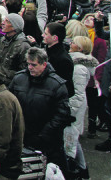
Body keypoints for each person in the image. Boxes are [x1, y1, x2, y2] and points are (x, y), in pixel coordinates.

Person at [8, 46, 72, 174]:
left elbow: (62, 115)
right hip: (22, 136)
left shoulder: (57, 85)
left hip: (47, 142)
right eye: (28, 64)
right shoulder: (19, 79)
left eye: (34, 65)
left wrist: (43, 136)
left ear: (44, 65)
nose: (30, 67)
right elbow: (9, 104)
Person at [64, 36, 97, 180]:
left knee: (72, 140)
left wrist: (69, 111)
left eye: (74, 43)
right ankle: (82, 171)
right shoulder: (76, 64)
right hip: (74, 107)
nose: (70, 43)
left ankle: (78, 171)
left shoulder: (79, 68)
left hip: (74, 109)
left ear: (80, 48)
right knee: (73, 140)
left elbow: (78, 94)